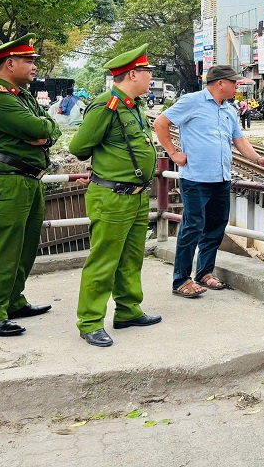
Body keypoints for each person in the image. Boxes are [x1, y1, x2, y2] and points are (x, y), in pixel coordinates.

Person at [153, 65, 264, 298]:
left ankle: (204, 272)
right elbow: (160, 124)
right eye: (234, 83)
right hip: (195, 178)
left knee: (215, 227)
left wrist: (259, 159)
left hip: (221, 178)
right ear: (220, 83)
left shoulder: (230, 110)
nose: (236, 86)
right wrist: (173, 153)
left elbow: (238, 140)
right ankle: (181, 280)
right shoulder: (192, 101)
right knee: (192, 228)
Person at [69, 45, 160, 348]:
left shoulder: (133, 105)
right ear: (133, 74)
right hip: (111, 195)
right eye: (148, 72)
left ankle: (128, 310)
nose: (150, 77)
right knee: (104, 260)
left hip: (135, 195)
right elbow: (79, 147)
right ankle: (91, 321)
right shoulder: (106, 105)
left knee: (132, 257)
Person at [0, 34, 61, 337]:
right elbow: (37, 127)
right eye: (29, 61)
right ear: (9, 63)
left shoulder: (20, 94)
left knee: (24, 248)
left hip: (29, 180)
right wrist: (43, 131)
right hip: (9, 182)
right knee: (4, 249)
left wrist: (45, 133)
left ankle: (13, 301)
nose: (34, 66)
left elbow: (49, 127)